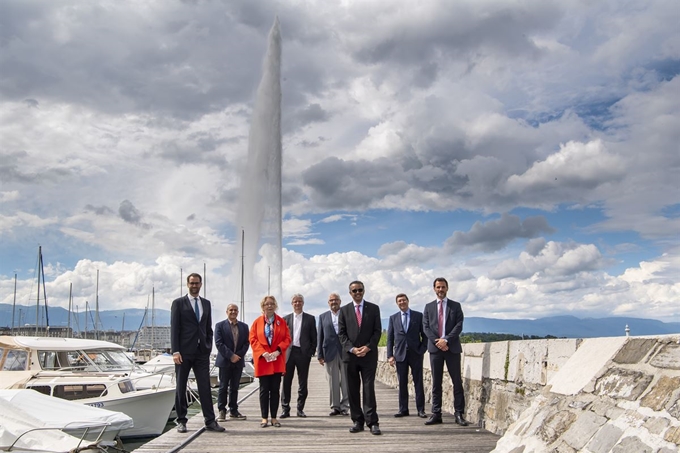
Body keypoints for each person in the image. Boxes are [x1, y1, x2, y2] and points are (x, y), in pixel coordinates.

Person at [170, 273, 225, 433]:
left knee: (205, 387)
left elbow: (208, 327)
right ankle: (181, 421)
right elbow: (175, 328)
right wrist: (175, 351)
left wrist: (208, 345)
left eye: (197, 283)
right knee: (181, 387)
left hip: (202, 352)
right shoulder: (178, 303)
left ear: (201, 284)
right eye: (192, 283)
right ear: (187, 284)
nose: (194, 286)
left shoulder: (206, 304)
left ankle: (210, 421)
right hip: (183, 352)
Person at [422, 277, 469, 426]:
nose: (440, 290)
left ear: (447, 288)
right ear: (434, 289)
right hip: (435, 350)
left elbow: (459, 325)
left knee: (457, 382)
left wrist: (446, 340)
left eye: (443, 287)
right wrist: (438, 342)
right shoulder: (428, 307)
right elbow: (426, 327)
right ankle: (436, 413)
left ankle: (459, 413)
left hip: (452, 348)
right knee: (436, 382)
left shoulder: (456, 306)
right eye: (438, 287)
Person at [338, 280, 382, 435]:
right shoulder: (343, 310)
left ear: (364, 291)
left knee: (369, 388)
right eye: (354, 291)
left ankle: (373, 422)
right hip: (350, 357)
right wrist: (352, 349)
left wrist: (368, 347)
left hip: (369, 356)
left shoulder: (374, 309)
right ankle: (357, 420)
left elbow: (377, 331)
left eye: (360, 290)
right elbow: (341, 334)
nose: (357, 293)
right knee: (352, 389)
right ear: (350, 293)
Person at [249, 295, 291, 428]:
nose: (269, 306)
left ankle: (274, 417)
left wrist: (278, 351)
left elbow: (287, 338)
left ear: (275, 306)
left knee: (275, 390)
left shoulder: (281, 322)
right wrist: (263, 353)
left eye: (272, 304)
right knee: (263, 390)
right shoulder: (257, 322)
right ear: (263, 306)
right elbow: (253, 339)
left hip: (277, 360)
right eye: (267, 304)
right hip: (263, 360)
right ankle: (264, 418)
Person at [387, 293, 427, 418]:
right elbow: (390, 338)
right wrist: (390, 355)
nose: (402, 303)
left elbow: (425, 335)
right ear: (397, 303)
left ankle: (421, 410)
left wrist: (422, 349)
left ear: (408, 301)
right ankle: (403, 409)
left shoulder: (418, 316)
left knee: (418, 382)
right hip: (400, 355)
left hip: (416, 354)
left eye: (403, 300)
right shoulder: (393, 318)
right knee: (402, 383)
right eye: (399, 301)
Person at [281, 294, 317, 418]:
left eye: (300, 301)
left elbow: (314, 337)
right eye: (295, 301)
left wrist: (311, 352)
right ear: (292, 304)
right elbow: (282, 337)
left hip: (303, 353)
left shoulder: (310, 319)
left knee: (303, 383)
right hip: (289, 354)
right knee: (286, 382)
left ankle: (300, 408)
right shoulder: (285, 319)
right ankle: (285, 409)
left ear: (303, 303)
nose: (297, 303)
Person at [317, 292, 350, 416]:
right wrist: (320, 354)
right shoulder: (323, 317)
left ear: (340, 301)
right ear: (328, 303)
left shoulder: (346, 314)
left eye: (336, 300)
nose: (334, 302)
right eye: (331, 300)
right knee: (333, 381)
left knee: (346, 380)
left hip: (345, 352)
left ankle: (345, 406)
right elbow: (320, 336)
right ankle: (335, 406)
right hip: (329, 352)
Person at [215, 304, 250, 421]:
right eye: (231, 310)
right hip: (225, 361)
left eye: (235, 310)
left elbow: (246, 343)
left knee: (235, 387)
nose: (233, 312)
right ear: (227, 312)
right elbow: (219, 343)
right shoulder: (219, 326)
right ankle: (221, 410)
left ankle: (233, 410)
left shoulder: (244, 327)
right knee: (223, 387)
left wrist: (238, 356)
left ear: (238, 312)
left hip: (238, 361)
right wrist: (231, 355)